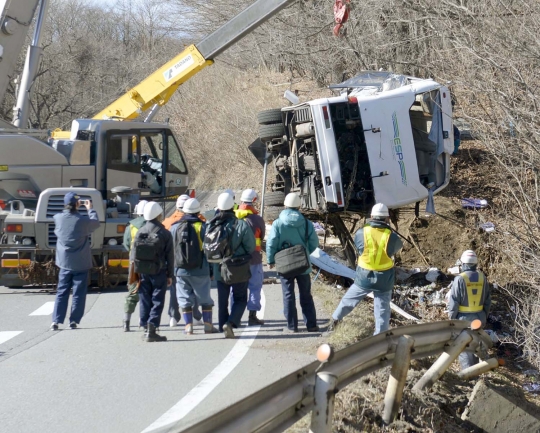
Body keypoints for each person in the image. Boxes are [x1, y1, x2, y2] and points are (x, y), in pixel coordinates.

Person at [328, 203, 403, 335]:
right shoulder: (391, 236)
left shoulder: (362, 232)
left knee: (349, 300)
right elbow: (395, 248)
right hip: (384, 279)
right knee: (382, 310)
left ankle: (335, 320)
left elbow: (360, 248)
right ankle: (379, 337)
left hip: (364, 276)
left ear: (372, 216)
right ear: (387, 218)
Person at [266, 193, 319, 333]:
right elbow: (314, 242)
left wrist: (271, 259)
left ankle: (292, 326)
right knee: (306, 295)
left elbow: (272, 242)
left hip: (285, 266)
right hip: (303, 266)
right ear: (299, 206)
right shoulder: (306, 223)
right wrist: (305, 253)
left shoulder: (278, 223)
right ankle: (311, 325)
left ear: (285, 205)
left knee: (288, 295)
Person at [50, 192, 100, 330]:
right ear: (78, 204)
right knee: (79, 293)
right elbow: (95, 223)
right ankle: (74, 321)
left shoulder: (58, 218)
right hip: (81, 263)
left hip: (65, 262)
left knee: (62, 291)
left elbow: (60, 217)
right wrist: (90, 209)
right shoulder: (82, 221)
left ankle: (56, 320)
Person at [171, 198, 218, 334]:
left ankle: (188, 326)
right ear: (198, 211)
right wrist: (211, 270)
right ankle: (208, 325)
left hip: (180, 270)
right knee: (205, 298)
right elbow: (209, 250)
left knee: (184, 298)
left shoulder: (175, 228)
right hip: (201, 269)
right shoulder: (204, 227)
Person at [212, 192, 255, 338]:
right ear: (233, 206)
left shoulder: (212, 224)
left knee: (222, 300)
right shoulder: (241, 224)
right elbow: (250, 247)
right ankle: (230, 323)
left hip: (219, 268)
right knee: (240, 298)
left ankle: (221, 325)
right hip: (238, 267)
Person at [132, 202, 174, 342]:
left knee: (144, 299)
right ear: (158, 215)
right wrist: (170, 275)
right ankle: (152, 327)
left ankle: (145, 327)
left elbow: (134, 255)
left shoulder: (140, 231)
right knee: (157, 300)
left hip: (142, 271)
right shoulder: (165, 233)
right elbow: (170, 256)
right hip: (159, 271)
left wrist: (134, 275)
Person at [162, 194, 202, 327]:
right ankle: (195, 316)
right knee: (195, 290)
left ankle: (173, 316)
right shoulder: (200, 222)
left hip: (175, 262)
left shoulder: (168, 223)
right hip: (197, 262)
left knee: (175, 290)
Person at [448, 250, 491, 369]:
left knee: (465, 347)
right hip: (480, 318)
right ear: (475, 263)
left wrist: (452, 320)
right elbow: (487, 301)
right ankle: (476, 372)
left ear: (463, 264)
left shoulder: (460, 279)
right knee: (476, 344)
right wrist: (484, 317)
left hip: (463, 319)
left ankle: (468, 375)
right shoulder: (483, 278)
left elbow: (453, 302)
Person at [233, 189, 266, 326]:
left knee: (235, 288)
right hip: (254, 259)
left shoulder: (233, 217)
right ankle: (252, 316)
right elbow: (262, 237)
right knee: (254, 287)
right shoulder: (257, 220)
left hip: (235, 260)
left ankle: (234, 316)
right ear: (254, 201)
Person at [122, 199, 147, 332]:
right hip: (150, 263)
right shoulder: (154, 225)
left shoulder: (130, 226)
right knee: (148, 292)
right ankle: (143, 322)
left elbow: (126, 244)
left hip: (134, 263)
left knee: (133, 291)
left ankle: (126, 321)